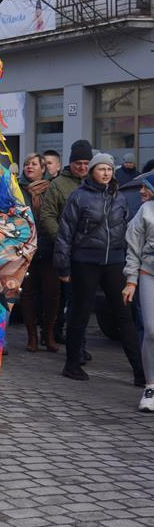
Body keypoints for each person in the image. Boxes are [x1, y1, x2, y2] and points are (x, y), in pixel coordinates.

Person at [55, 153, 144, 385]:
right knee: (81, 313)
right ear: (92, 171)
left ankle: (140, 372)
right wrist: (63, 266)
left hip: (114, 261)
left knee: (124, 315)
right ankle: (72, 365)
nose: (106, 173)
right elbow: (65, 233)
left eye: (109, 169)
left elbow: (126, 228)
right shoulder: (79, 196)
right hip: (85, 261)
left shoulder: (119, 197)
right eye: (101, 168)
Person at [39, 140, 92, 351]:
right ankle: (73, 343)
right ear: (71, 163)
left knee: (81, 299)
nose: (82, 167)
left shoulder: (95, 181)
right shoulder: (59, 184)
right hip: (66, 250)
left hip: (91, 251)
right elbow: (48, 215)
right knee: (68, 297)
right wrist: (62, 239)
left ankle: (74, 341)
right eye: (78, 163)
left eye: (86, 163)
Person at [17, 153, 56, 352]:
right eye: (26, 164)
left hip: (49, 247)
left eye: (34, 164)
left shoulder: (52, 188)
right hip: (26, 249)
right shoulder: (18, 189)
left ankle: (48, 334)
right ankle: (31, 336)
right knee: (27, 293)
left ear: (43, 168)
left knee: (52, 293)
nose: (29, 167)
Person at [123, 172, 154, 411]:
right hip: (148, 274)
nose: (141, 191)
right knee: (151, 331)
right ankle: (150, 386)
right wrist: (131, 281)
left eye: (146, 187)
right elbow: (133, 249)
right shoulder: (145, 211)